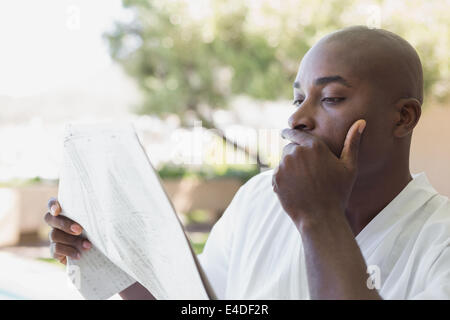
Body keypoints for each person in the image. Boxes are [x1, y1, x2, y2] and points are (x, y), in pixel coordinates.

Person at [44, 26, 450, 299]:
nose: (297, 118)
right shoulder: (259, 198)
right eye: (297, 98)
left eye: (330, 99)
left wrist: (320, 216)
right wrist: (113, 252)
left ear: (403, 117)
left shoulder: (440, 241)